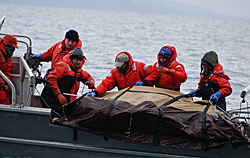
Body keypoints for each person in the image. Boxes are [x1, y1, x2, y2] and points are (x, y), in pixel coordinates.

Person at [40, 47, 95, 123]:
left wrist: (90, 81)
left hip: (63, 97)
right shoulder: (63, 66)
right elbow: (51, 79)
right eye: (76, 60)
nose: (78, 62)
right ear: (72, 59)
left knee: (66, 116)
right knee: (53, 118)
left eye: (80, 60)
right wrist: (58, 94)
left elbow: (85, 76)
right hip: (50, 97)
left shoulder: (77, 70)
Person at [86, 51, 158, 97]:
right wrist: (96, 92)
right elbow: (106, 83)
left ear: (126, 64)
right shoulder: (115, 73)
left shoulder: (139, 67)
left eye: (121, 65)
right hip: (125, 97)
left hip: (141, 95)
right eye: (117, 65)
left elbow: (154, 72)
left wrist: (145, 82)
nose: (118, 67)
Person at [0, 35, 18, 105]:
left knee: (9, 94)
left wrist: (9, 87)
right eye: (11, 47)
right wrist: (2, 83)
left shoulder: (8, 57)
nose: (12, 50)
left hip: (2, 83)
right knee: (3, 98)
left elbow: (7, 72)